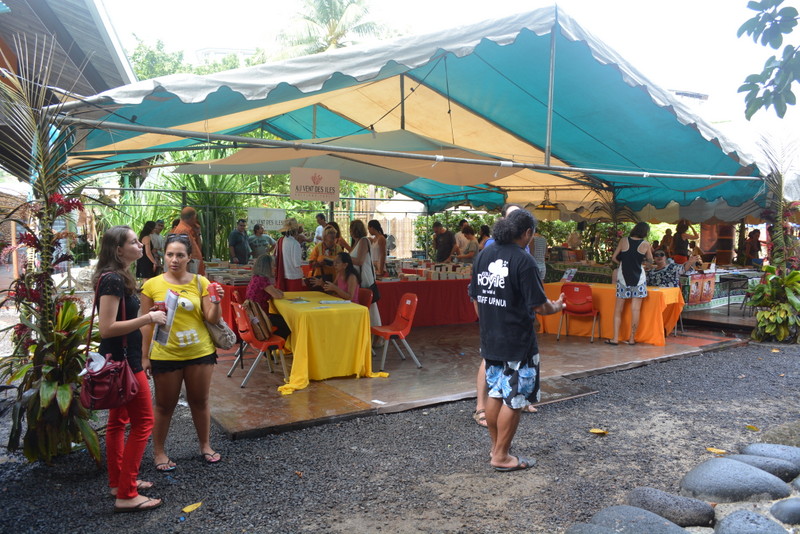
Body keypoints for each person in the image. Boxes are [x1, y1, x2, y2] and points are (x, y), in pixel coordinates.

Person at [469, 209, 565, 471]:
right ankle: (501, 456)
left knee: (496, 393)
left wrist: (488, 324)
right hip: (517, 341)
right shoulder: (524, 261)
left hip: (491, 337)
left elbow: (476, 297)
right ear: (526, 233)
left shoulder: (483, 255)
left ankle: (496, 448)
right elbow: (539, 306)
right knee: (517, 398)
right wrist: (556, 307)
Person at [94, 225, 166, 513]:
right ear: (118, 250)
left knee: (117, 423)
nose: (140, 246)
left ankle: (119, 482)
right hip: (124, 362)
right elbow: (107, 328)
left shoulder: (116, 277)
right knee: (143, 423)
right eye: (134, 242)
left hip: (120, 360)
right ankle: (127, 493)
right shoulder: (113, 280)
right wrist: (148, 318)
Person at [140, 234, 224, 471]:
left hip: (200, 352)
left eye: (180, 255)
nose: (174, 260)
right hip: (166, 354)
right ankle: (159, 452)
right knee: (165, 405)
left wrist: (216, 302)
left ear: (189, 257)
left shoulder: (201, 283)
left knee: (200, 401)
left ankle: (205, 445)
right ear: (163, 256)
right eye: (170, 254)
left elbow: (211, 318)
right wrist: (144, 356)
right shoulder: (151, 285)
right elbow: (145, 323)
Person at [607, 222, 653, 346]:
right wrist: (643, 263)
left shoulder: (623, 241)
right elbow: (650, 261)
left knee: (618, 310)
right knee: (635, 309)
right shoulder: (646, 244)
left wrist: (622, 263)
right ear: (645, 232)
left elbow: (614, 258)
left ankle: (615, 338)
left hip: (623, 278)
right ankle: (632, 339)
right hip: (639, 279)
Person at [245, 253, 291, 339]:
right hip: (260, 317)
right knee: (288, 323)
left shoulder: (256, 277)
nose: (275, 268)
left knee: (281, 319)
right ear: (267, 267)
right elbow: (278, 295)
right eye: (273, 266)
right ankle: (272, 345)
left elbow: (276, 292)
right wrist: (278, 292)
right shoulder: (263, 280)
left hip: (254, 315)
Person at [349, 220, 382, 333]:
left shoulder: (363, 241)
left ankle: (376, 333)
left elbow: (359, 261)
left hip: (364, 277)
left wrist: (345, 258)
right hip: (358, 277)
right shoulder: (357, 242)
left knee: (370, 305)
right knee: (365, 304)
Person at [274, 217, 305, 291]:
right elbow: (297, 263)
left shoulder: (281, 241)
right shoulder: (295, 243)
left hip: (283, 275)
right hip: (294, 276)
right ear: (296, 230)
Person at [171, 207, 205, 275]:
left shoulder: (188, 230)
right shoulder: (182, 230)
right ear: (192, 217)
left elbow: (197, 248)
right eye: (195, 218)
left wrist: (197, 233)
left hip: (193, 268)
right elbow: (181, 253)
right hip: (189, 270)